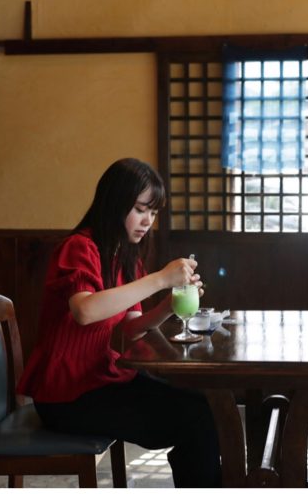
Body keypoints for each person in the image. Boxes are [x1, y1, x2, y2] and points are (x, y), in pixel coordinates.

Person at [17, 158, 222, 487]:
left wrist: (169, 305)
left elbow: (130, 329)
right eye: (141, 209)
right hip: (66, 395)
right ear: (115, 201)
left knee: (204, 405)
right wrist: (158, 279)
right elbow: (84, 311)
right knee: (195, 419)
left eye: (153, 214)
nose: (147, 222)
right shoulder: (78, 248)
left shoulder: (123, 256)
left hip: (102, 380)